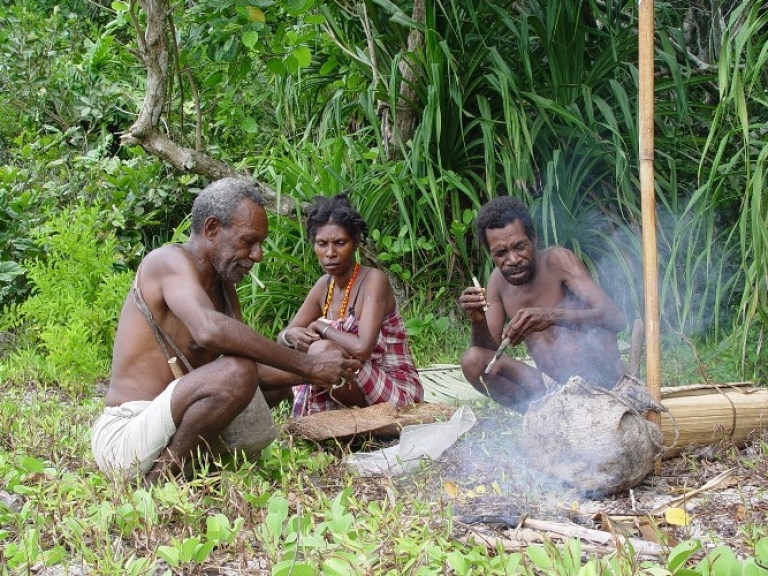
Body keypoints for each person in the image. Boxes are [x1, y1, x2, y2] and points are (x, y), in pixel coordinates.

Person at [91, 178, 361, 484]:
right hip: (126, 440)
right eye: (249, 241)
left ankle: (191, 467)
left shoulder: (223, 286)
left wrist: (319, 368)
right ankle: (159, 482)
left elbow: (254, 371)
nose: (258, 255)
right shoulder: (166, 262)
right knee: (238, 372)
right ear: (211, 229)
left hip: (171, 432)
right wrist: (307, 365)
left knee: (262, 376)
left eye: (260, 244)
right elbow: (210, 331)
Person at [460, 196, 627, 411]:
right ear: (491, 254)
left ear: (534, 239)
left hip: (601, 382)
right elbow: (490, 348)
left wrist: (550, 317)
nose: (513, 259)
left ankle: (585, 408)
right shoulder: (498, 281)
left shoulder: (557, 260)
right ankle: (542, 416)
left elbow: (615, 319)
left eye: (519, 246)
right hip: (552, 390)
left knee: (571, 349)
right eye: (501, 253)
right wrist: (477, 320)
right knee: (473, 361)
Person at [276, 194, 423, 416]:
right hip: (354, 383)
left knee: (321, 350)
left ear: (355, 243)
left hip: (396, 389)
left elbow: (362, 349)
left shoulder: (374, 280)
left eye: (340, 243)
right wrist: (291, 336)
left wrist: (321, 327)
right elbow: (282, 339)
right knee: (275, 365)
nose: (330, 253)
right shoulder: (323, 286)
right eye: (322, 244)